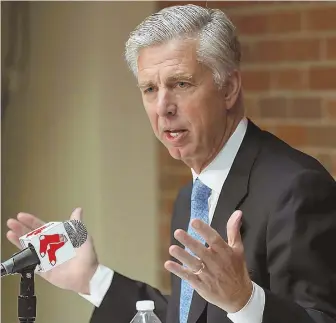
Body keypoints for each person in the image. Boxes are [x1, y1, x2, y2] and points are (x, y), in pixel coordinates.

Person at [6, 4, 336, 323]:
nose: (163, 107)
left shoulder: (297, 189)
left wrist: (246, 303)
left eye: (181, 84)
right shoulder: (192, 197)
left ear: (229, 88)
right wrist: (92, 279)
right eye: (150, 89)